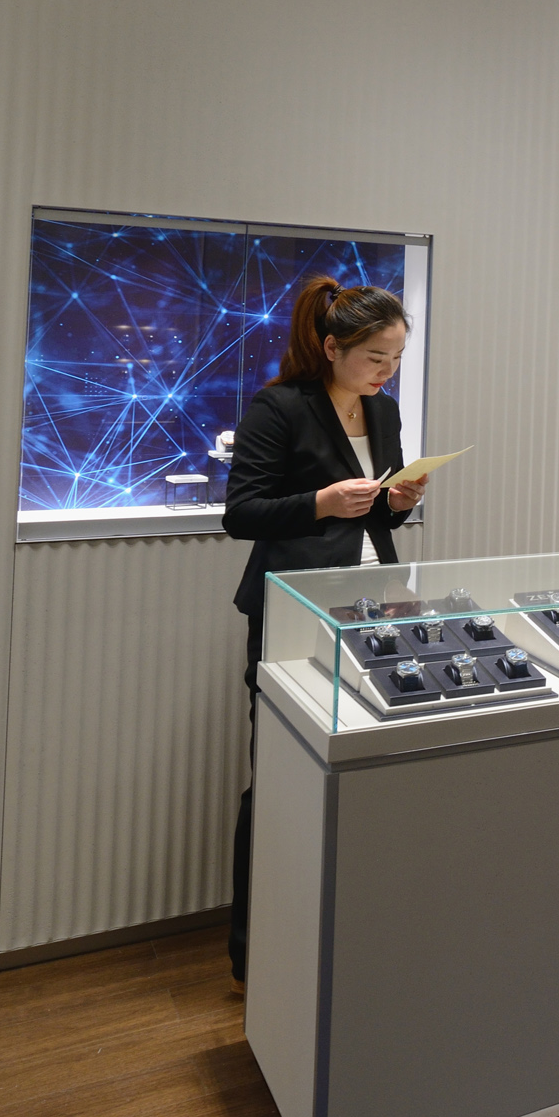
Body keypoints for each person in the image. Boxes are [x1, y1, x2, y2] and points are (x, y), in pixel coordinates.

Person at [221, 274, 427, 982]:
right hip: (298, 610)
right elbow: (241, 512)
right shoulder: (281, 406)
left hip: (376, 606)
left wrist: (399, 500)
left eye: (396, 357)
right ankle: (255, 953)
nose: (387, 371)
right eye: (375, 357)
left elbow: (377, 515)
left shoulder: (384, 411)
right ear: (332, 346)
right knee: (280, 777)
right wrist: (320, 501)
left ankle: (351, 931)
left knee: (368, 766)